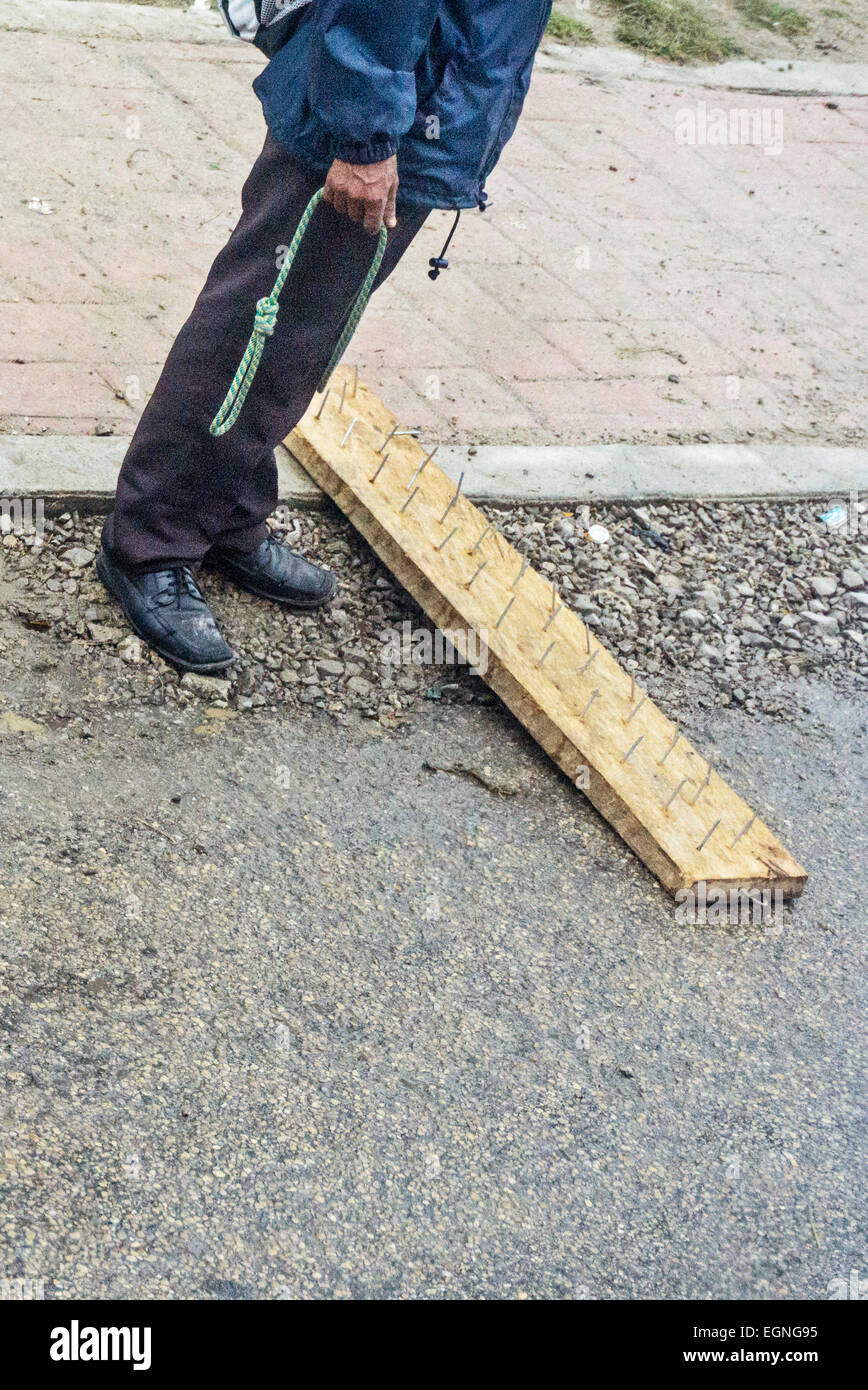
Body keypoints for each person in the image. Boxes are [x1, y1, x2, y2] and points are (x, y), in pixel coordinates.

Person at [97, 0, 554, 673]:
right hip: (388, 107)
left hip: (431, 99)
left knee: (301, 337)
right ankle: (150, 541)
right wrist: (365, 135)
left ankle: (223, 511)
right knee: (255, 323)